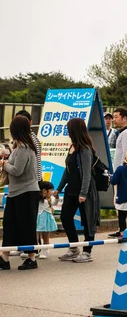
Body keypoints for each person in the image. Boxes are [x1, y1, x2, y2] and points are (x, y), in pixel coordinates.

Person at [55, 118, 100, 263]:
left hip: (84, 190)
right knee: (65, 217)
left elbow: (87, 173)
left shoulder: (85, 148)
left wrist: (83, 193)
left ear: (75, 130)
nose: (67, 132)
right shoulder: (72, 147)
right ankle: (74, 247)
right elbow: (67, 171)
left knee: (88, 220)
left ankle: (87, 251)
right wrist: (59, 188)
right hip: (71, 189)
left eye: (69, 129)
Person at [0, 116, 41, 271]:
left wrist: (4, 164)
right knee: (10, 224)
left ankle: (31, 258)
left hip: (26, 192)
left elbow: (17, 171)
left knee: (26, 225)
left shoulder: (24, 148)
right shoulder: (21, 146)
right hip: (17, 192)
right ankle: (4, 257)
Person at [15, 110, 42, 182]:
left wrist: (6, 164)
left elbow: (17, 169)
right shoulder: (33, 137)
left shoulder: (27, 140)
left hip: (29, 182)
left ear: (30, 123)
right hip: (35, 180)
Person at [36, 181, 59, 260]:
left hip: (46, 219)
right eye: (51, 190)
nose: (52, 192)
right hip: (38, 218)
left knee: (45, 235)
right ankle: (36, 249)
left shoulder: (50, 199)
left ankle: (45, 250)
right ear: (44, 190)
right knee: (35, 234)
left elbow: (55, 203)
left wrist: (56, 198)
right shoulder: (37, 198)